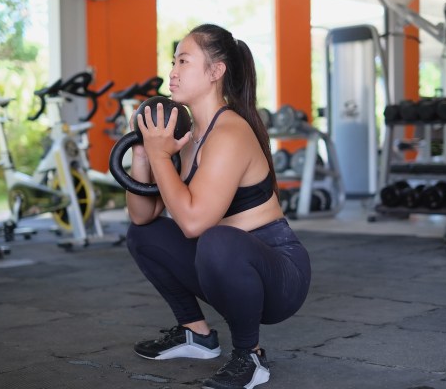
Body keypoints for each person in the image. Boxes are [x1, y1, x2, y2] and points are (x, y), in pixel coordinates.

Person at [125, 23, 311, 389]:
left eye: (183, 61)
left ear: (215, 71)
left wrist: (162, 158)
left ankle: (250, 356)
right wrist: (143, 154)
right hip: (225, 264)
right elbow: (141, 214)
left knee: (216, 238)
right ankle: (197, 335)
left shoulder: (230, 132)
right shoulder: (188, 137)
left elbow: (194, 224)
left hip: (279, 275)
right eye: (172, 62)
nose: (172, 72)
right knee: (143, 235)